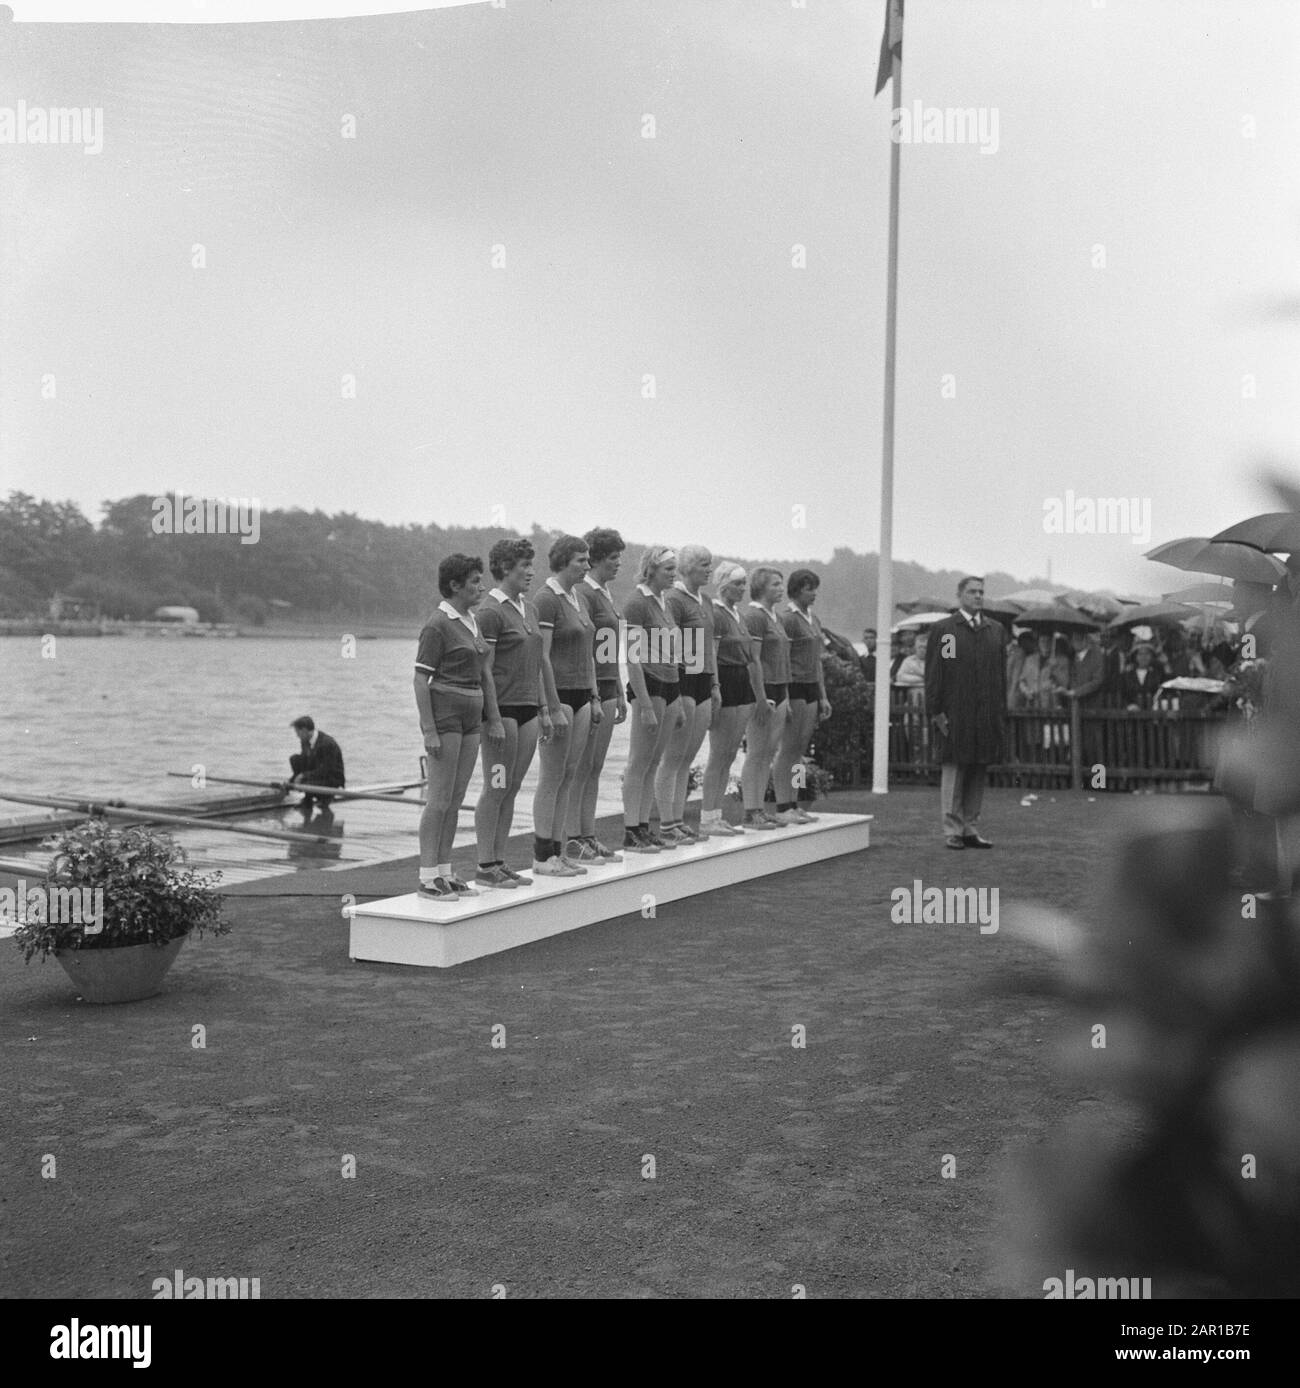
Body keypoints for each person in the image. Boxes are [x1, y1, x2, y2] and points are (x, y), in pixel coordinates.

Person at [472, 537, 557, 889]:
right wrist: (491, 717)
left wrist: (545, 709)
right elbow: (484, 670)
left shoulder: (529, 609)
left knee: (513, 786)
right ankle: (484, 864)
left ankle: (500, 860)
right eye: (525, 566)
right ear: (505, 568)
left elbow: (536, 663)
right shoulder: (490, 611)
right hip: (501, 711)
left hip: (527, 710)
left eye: (532, 565)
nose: (531, 572)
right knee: (495, 786)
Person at [413, 554, 498, 899]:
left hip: (471, 716)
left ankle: (445, 871)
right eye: (475, 581)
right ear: (454, 585)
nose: (481, 586)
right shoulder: (438, 624)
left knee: (457, 797)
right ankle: (426, 875)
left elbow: (484, 673)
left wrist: (493, 717)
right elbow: (420, 679)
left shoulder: (472, 621)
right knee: (439, 797)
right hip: (446, 715)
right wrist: (429, 730)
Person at [532, 535, 601, 877]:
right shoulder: (546, 599)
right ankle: (543, 855)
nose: (587, 566)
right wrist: (550, 706)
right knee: (552, 775)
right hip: (558, 694)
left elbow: (589, 651)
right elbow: (541, 656)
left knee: (570, 775)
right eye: (580, 561)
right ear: (562, 561)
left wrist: (595, 695)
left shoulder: (579, 598)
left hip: (582, 695)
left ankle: (559, 851)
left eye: (589, 560)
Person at [923, 576, 1005, 849]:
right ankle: (953, 828)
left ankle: (970, 826)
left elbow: (1000, 677)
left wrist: (999, 713)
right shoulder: (946, 630)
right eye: (972, 592)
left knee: (978, 768)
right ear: (960, 595)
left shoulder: (995, 630)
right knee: (955, 768)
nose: (978, 596)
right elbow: (936, 673)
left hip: (986, 713)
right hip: (954, 712)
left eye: (981, 592)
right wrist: (936, 711)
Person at [565, 527, 627, 865]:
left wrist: (616, 684)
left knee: (595, 766)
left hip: (606, 684)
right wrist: (592, 692)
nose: (618, 564)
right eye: (613, 558)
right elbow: (585, 648)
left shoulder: (605, 594)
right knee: (580, 766)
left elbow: (608, 648)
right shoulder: (585, 594)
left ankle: (588, 835)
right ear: (597, 560)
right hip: (589, 688)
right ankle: (573, 838)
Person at [621, 546, 686, 852]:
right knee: (639, 761)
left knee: (654, 761)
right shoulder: (637, 602)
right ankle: (631, 830)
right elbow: (632, 657)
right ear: (651, 570)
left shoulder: (664, 602)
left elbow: (675, 651)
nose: (674, 574)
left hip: (670, 683)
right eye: (668, 569)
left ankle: (643, 826)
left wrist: (679, 700)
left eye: (675, 569)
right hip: (648, 682)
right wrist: (644, 703)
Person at [658, 544, 721, 842]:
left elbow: (710, 645)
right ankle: (666, 823)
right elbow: (668, 644)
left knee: (687, 757)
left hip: (703, 678)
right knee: (673, 755)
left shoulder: (706, 601)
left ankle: (678, 819)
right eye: (704, 564)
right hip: (683, 678)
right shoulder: (674, 599)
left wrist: (715, 684)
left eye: (710, 564)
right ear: (688, 567)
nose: (709, 569)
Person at [701, 561, 764, 836]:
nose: (742, 589)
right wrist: (714, 687)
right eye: (738, 583)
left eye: (744, 584)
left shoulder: (738, 615)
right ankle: (708, 816)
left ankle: (718, 814)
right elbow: (710, 655)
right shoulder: (716, 613)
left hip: (742, 681)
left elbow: (752, 656)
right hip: (725, 679)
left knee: (729, 755)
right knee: (718, 754)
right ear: (724, 584)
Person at [775, 569, 832, 822]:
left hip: (811, 688)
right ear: (797, 589)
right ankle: (782, 805)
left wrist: (823, 696)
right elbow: (782, 660)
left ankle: (795, 800)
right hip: (794, 687)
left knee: (800, 750)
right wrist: (784, 697)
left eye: (815, 588)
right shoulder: (787, 619)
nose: (814, 593)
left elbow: (818, 661)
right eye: (810, 588)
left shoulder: (813, 619)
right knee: (787, 749)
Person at [740, 566, 794, 829]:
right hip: (763, 691)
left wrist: (787, 697)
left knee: (768, 753)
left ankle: (760, 807)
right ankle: (751, 811)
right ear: (761, 588)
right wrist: (760, 698)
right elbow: (753, 660)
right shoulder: (754, 617)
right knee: (757, 752)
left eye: (781, 584)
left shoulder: (777, 618)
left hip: (781, 689)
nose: (781, 589)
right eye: (775, 584)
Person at [288, 716, 345, 813]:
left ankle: (325, 797)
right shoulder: (305, 741)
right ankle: (308, 798)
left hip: (331, 777)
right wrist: (292, 780)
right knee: (294, 759)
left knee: (305, 782)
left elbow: (327, 769)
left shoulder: (327, 743)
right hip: (318, 772)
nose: (297, 736)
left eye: (297, 732)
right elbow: (305, 763)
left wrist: (303, 776)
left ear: (304, 730)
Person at [1119, 642, 1161, 710]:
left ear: (1151, 656)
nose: (1143, 657)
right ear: (1135, 656)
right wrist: (1129, 706)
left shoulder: (1157, 674)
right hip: (1130, 715)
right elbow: (1122, 695)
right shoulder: (1127, 675)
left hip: (1153, 714)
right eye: (1140, 654)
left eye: (1147, 654)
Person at [1006, 630, 1037, 710]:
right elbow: (1016, 679)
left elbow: (1014, 678)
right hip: (1015, 696)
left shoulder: (1015, 653)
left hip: (1011, 695)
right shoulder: (1020, 654)